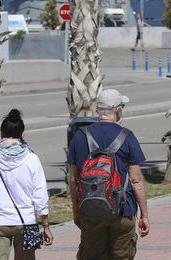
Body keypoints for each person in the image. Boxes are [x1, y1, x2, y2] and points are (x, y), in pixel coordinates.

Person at [67, 88, 150, 257]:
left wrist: (76, 211)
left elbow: (73, 180)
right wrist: (144, 215)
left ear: (99, 110)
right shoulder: (127, 136)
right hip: (122, 210)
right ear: (117, 109)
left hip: (90, 210)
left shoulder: (80, 136)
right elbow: (136, 181)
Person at [0, 109, 52, 259]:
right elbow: (40, 194)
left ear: (1, 134)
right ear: (22, 135)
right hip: (25, 222)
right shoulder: (31, 159)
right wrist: (45, 225)